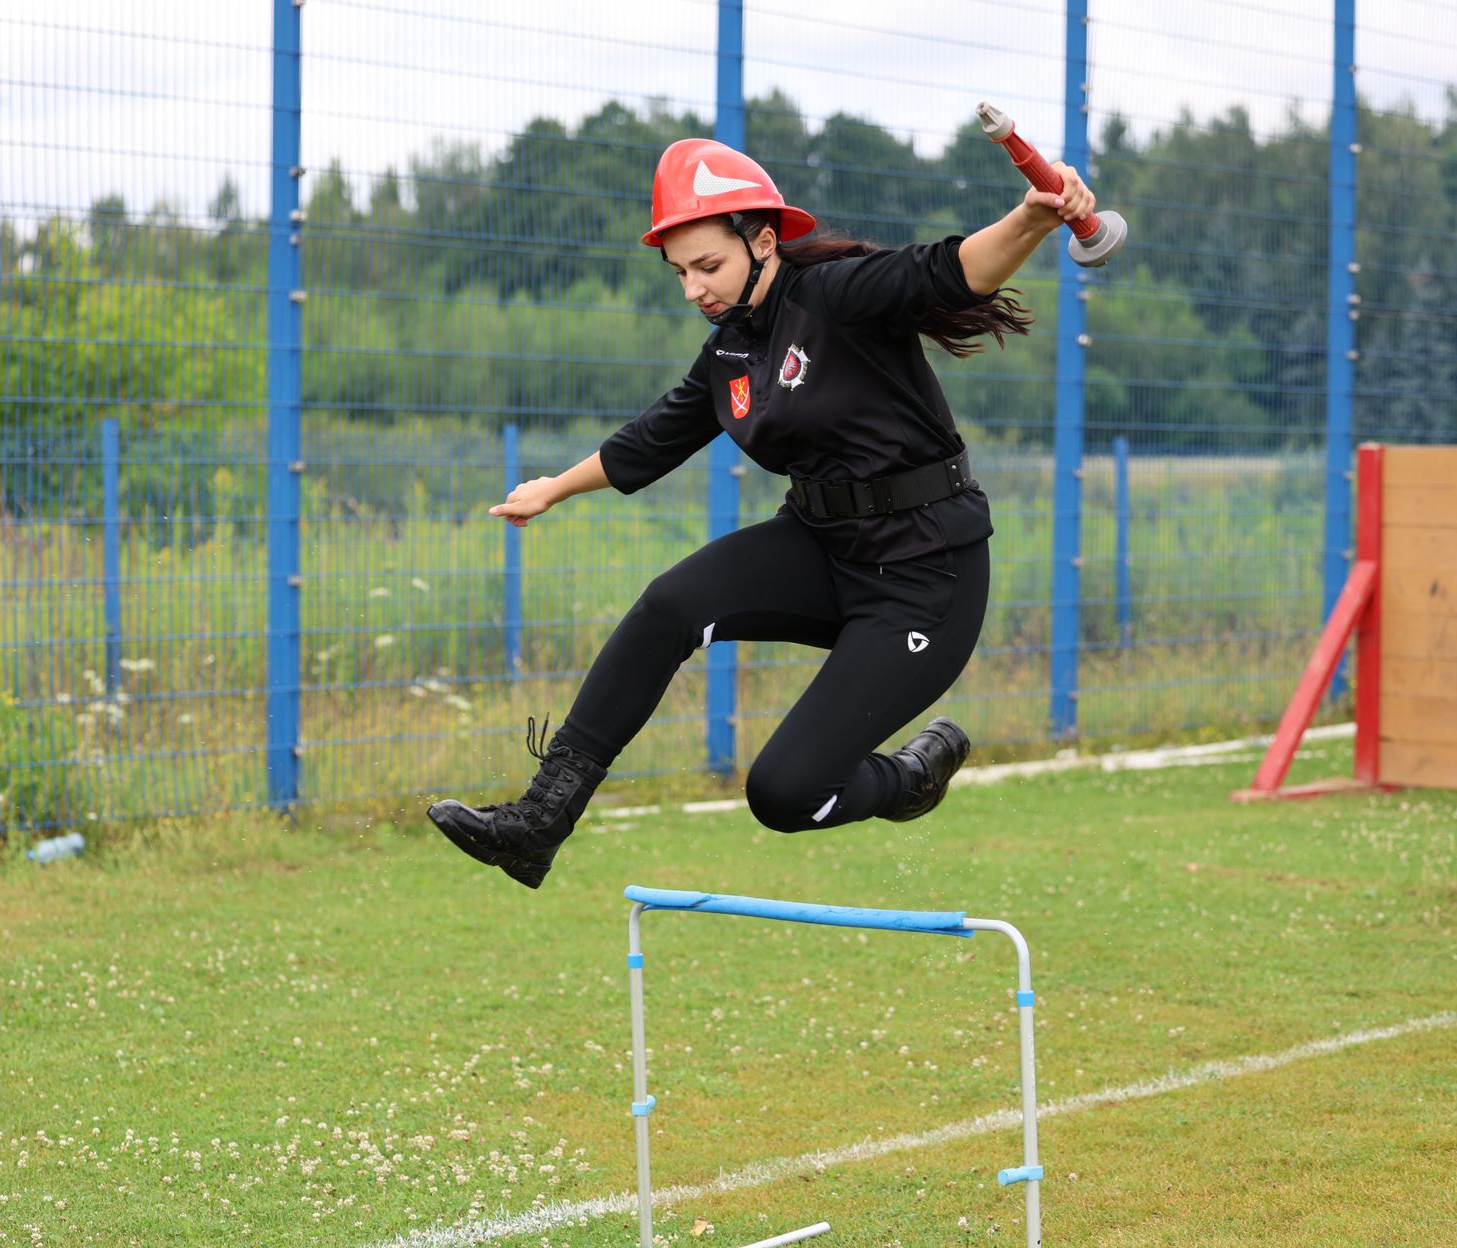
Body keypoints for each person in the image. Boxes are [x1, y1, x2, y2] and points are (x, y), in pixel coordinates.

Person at [428, 137, 1097, 888]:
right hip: (821, 544)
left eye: (707, 266)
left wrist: (1034, 218)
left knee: (783, 793)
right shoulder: (731, 351)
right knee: (667, 606)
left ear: (764, 240)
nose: (693, 289)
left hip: (925, 574)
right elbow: (656, 436)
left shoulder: (838, 295)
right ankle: (539, 821)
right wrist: (554, 486)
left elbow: (952, 269)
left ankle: (911, 776)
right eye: (680, 272)